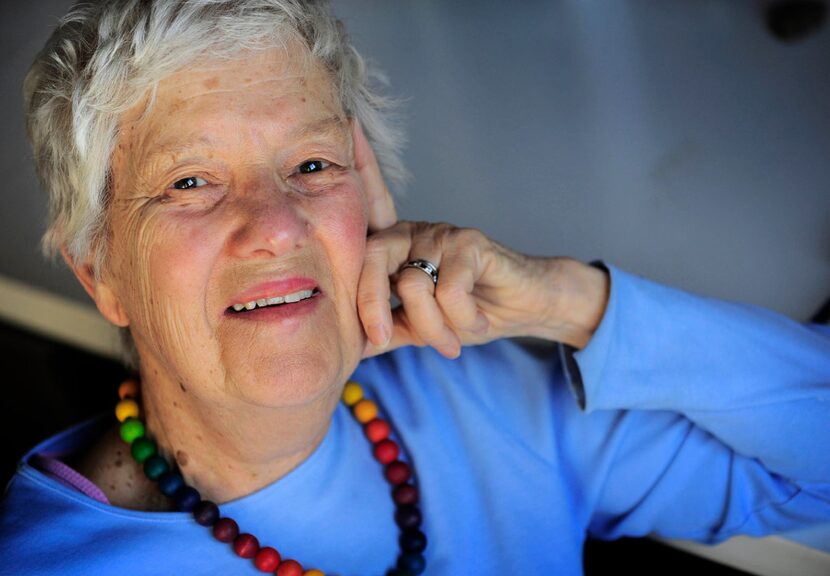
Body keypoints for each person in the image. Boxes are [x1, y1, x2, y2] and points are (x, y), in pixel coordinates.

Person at [1, 1, 828, 574]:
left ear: (372, 200)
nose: (279, 226)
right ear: (102, 274)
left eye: (313, 166)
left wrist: (569, 300)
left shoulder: (492, 401)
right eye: (189, 181)